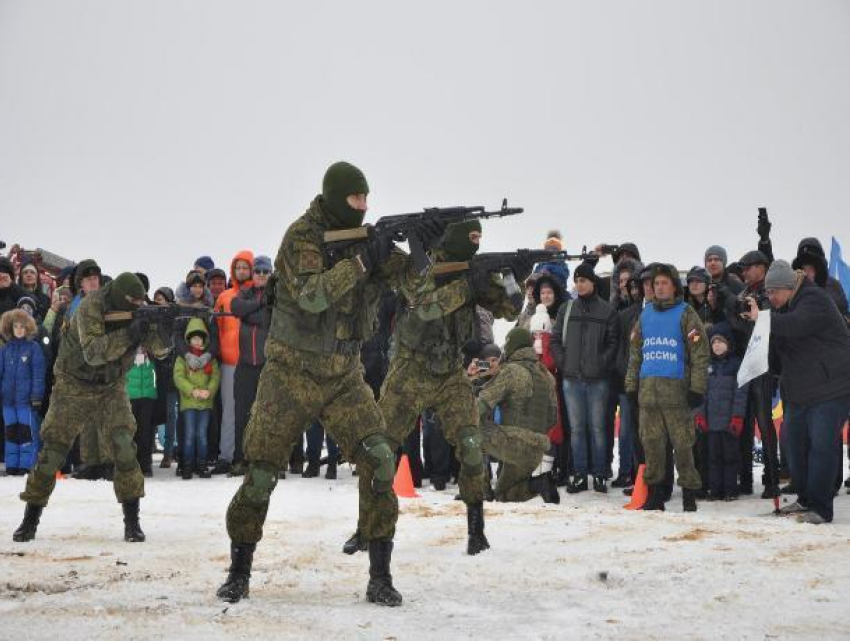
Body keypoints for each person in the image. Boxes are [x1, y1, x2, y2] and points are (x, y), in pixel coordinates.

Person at [216, 161, 444, 606]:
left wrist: (423, 249)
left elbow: (420, 293)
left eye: (366, 199)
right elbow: (312, 296)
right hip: (289, 374)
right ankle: (239, 569)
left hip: (343, 374)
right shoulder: (302, 236)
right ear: (338, 198)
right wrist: (362, 262)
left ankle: (380, 575)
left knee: (379, 457)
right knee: (261, 472)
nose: (363, 206)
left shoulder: (367, 243)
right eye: (356, 199)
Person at [344, 218, 526, 558]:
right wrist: (467, 286)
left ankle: (477, 529)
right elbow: (426, 305)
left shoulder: (474, 272)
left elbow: (509, 310)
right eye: (471, 237)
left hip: (450, 372)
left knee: (471, 445)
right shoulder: (420, 264)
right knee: (380, 451)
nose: (475, 244)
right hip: (410, 371)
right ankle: (365, 528)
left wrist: (518, 276)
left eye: (479, 239)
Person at [12, 273, 169, 543]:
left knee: (123, 446)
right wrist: (130, 332)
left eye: (138, 301)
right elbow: (95, 353)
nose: (135, 305)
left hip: (111, 385)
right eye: (131, 301)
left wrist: (163, 331)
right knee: (53, 449)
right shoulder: (91, 306)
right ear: (120, 297)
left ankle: (132, 521)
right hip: (74, 383)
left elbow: (162, 350)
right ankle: (30, 518)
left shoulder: (140, 311)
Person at [752, 261, 850, 523]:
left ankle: (820, 508)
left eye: (773, 292)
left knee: (821, 446)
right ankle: (805, 498)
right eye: (767, 293)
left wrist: (763, 319)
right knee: (794, 446)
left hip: (832, 388)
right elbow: (779, 350)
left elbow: (795, 325)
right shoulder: (784, 309)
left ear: (787, 287)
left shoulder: (814, 298)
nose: (769, 298)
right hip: (799, 392)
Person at [625, 263, 709, 512]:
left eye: (664, 283)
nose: (659, 288)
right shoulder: (645, 315)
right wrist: (631, 387)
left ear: (674, 286)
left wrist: (697, 388)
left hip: (678, 395)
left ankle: (689, 494)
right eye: (655, 284)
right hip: (648, 396)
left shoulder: (687, 314)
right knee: (651, 446)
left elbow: (700, 354)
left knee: (684, 447)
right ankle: (655, 496)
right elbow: (635, 354)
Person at [550, 262, 618, 494]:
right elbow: (555, 340)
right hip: (571, 379)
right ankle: (579, 474)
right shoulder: (566, 309)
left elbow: (613, 343)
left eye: (583, 280)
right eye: (576, 281)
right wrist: (563, 363)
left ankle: (600, 474)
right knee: (577, 429)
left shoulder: (607, 311)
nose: (579, 285)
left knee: (598, 428)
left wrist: (601, 364)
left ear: (592, 282)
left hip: (598, 380)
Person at [477, 328, 560, 504]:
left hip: (513, 444)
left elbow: (481, 405)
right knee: (506, 495)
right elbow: (553, 417)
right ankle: (539, 483)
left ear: (511, 346)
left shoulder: (511, 371)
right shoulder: (546, 375)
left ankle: (481, 490)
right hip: (537, 448)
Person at [728, 249, 779, 498]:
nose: (744, 272)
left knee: (763, 421)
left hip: (763, 364)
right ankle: (745, 479)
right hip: (744, 363)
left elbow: (769, 327)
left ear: (763, 267)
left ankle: (772, 479)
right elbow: (736, 325)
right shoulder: (743, 293)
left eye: (748, 267)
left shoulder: (770, 292)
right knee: (745, 422)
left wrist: (754, 317)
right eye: (743, 269)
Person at [211, 250, 254, 475]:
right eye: (238, 267)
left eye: (245, 267)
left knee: (250, 411)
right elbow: (216, 330)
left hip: (250, 362)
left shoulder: (257, 295)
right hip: (228, 363)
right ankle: (226, 456)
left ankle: (248, 454)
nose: (241, 271)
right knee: (229, 410)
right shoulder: (224, 297)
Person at [230, 255, 272, 477]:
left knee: (268, 416)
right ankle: (240, 459)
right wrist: (257, 304)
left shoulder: (276, 296)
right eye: (258, 272)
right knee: (242, 415)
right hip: (245, 364)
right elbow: (236, 307)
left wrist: (251, 313)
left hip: (268, 366)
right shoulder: (245, 293)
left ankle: (267, 461)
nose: (262, 276)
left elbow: (266, 318)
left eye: (266, 272)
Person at [695, 325, 748, 500]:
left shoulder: (736, 365)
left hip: (729, 423)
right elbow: (701, 393)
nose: (717, 345)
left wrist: (737, 417)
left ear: (729, 344)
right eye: (714, 342)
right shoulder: (707, 366)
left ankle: (731, 490)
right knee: (713, 457)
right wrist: (700, 415)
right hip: (711, 423)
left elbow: (741, 394)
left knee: (730, 457)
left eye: (720, 342)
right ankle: (715, 490)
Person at [173, 318, 221, 479]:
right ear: (188, 340)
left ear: (204, 340)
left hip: (205, 403)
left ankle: (202, 465)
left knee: (202, 435)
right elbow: (179, 378)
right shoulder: (183, 359)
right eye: (193, 338)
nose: (197, 341)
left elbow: (215, 377)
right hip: (189, 403)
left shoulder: (210, 360)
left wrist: (209, 391)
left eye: (200, 338)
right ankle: (187, 465)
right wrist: (192, 390)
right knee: (189, 435)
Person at [0, 309, 46, 475]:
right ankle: (12, 464)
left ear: (28, 328)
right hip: (8, 401)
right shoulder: (5, 350)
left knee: (26, 433)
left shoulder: (34, 348)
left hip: (25, 401)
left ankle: (26, 465)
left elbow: (38, 375)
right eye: (15, 326)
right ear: (9, 328)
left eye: (22, 326)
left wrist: (36, 396)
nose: (19, 329)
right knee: (11, 432)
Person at [126, 343, 158, 477]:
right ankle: (130, 464)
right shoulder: (126, 351)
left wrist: (148, 354)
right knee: (130, 432)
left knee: (145, 432)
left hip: (147, 395)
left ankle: (145, 465)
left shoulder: (152, 354)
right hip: (130, 395)